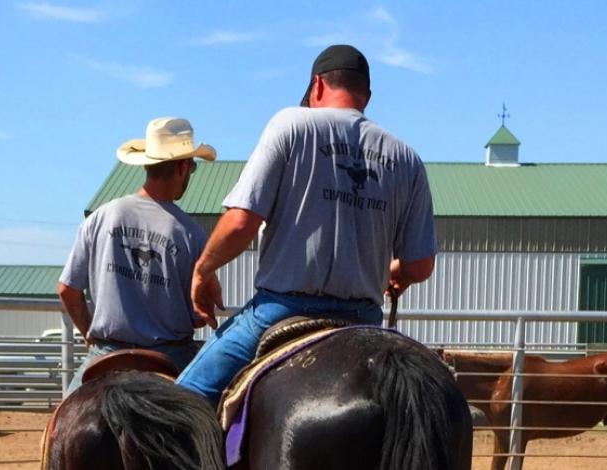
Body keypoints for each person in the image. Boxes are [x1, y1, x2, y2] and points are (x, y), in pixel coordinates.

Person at [176, 44, 438, 405]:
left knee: (184, 399)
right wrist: (398, 273)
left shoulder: (291, 123)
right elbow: (419, 265)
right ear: (367, 96)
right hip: (363, 319)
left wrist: (203, 270)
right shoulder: (407, 159)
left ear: (317, 86)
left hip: (282, 310)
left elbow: (240, 222)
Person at [59, 117, 218, 394]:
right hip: (170, 358)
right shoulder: (191, 233)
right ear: (182, 167)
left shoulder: (101, 217)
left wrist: (89, 335)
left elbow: (67, 290)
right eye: (191, 167)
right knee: (214, 426)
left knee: (59, 427)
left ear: (147, 165)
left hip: (108, 354)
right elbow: (199, 316)